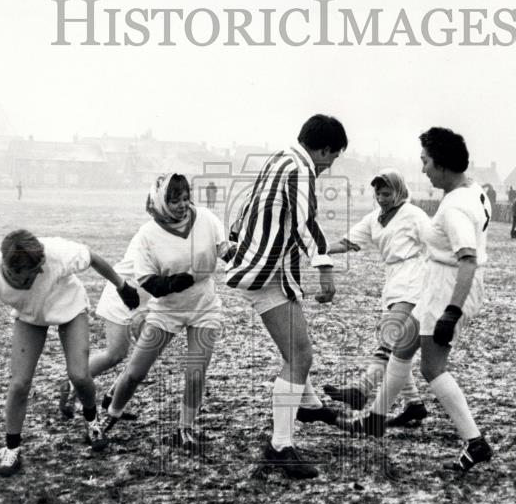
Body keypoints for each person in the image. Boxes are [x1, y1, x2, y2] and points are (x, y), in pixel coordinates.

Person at [342, 128, 493, 473]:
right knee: (404, 343)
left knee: (431, 367)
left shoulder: (454, 207)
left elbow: (467, 259)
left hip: (450, 288)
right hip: (439, 282)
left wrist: (451, 312)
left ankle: (475, 441)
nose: (423, 169)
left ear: (441, 165)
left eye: (426, 161)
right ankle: (375, 419)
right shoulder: (473, 189)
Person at [225, 114, 346, 479]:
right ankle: (281, 446)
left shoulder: (278, 159)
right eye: (333, 157)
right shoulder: (300, 168)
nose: (329, 166)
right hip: (267, 274)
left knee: (295, 350)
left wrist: (235, 242)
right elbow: (305, 222)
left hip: (265, 269)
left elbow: (247, 209)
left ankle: (307, 404)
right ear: (323, 149)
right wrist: (324, 268)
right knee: (300, 355)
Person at [0, 230, 139, 476]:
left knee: (79, 375)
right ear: (11, 270)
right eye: (31, 272)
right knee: (19, 384)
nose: (39, 272)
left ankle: (92, 424)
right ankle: (11, 449)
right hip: (30, 316)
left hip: (69, 306)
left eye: (40, 266)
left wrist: (122, 286)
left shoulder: (55, 253)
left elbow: (94, 258)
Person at [101, 173, 235, 455]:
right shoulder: (147, 235)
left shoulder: (206, 219)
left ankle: (185, 429)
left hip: (204, 307)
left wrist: (235, 251)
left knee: (195, 372)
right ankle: (112, 414)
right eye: (175, 201)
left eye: (186, 198)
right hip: (166, 311)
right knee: (135, 372)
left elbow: (222, 249)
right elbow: (148, 281)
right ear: (161, 202)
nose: (183, 205)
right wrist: (174, 282)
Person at [321, 169, 430, 427]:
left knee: (390, 336)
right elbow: (347, 243)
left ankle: (362, 390)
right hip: (393, 279)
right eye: (378, 194)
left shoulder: (413, 215)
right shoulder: (374, 218)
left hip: (415, 276)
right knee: (396, 345)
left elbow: (435, 241)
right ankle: (414, 404)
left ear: (399, 191)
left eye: (387, 193)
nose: (382, 198)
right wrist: (317, 248)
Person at [57, 233, 154, 420]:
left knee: (147, 355)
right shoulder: (150, 232)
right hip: (126, 293)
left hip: (150, 299)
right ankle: (72, 384)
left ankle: (113, 398)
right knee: (116, 354)